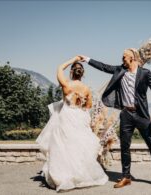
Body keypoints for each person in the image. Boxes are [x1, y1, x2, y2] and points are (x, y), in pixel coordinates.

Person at [79, 48, 151, 189]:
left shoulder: (145, 73)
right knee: (124, 147)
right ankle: (126, 177)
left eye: (124, 57)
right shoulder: (120, 70)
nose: (122, 60)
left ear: (132, 58)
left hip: (141, 115)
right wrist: (88, 59)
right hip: (126, 114)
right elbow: (104, 67)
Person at [36, 56, 108, 192]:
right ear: (83, 74)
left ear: (71, 72)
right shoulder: (86, 89)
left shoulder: (66, 85)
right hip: (80, 117)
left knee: (64, 146)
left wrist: (73, 59)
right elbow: (88, 106)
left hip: (66, 116)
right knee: (78, 146)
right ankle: (79, 175)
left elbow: (59, 68)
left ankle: (64, 176)